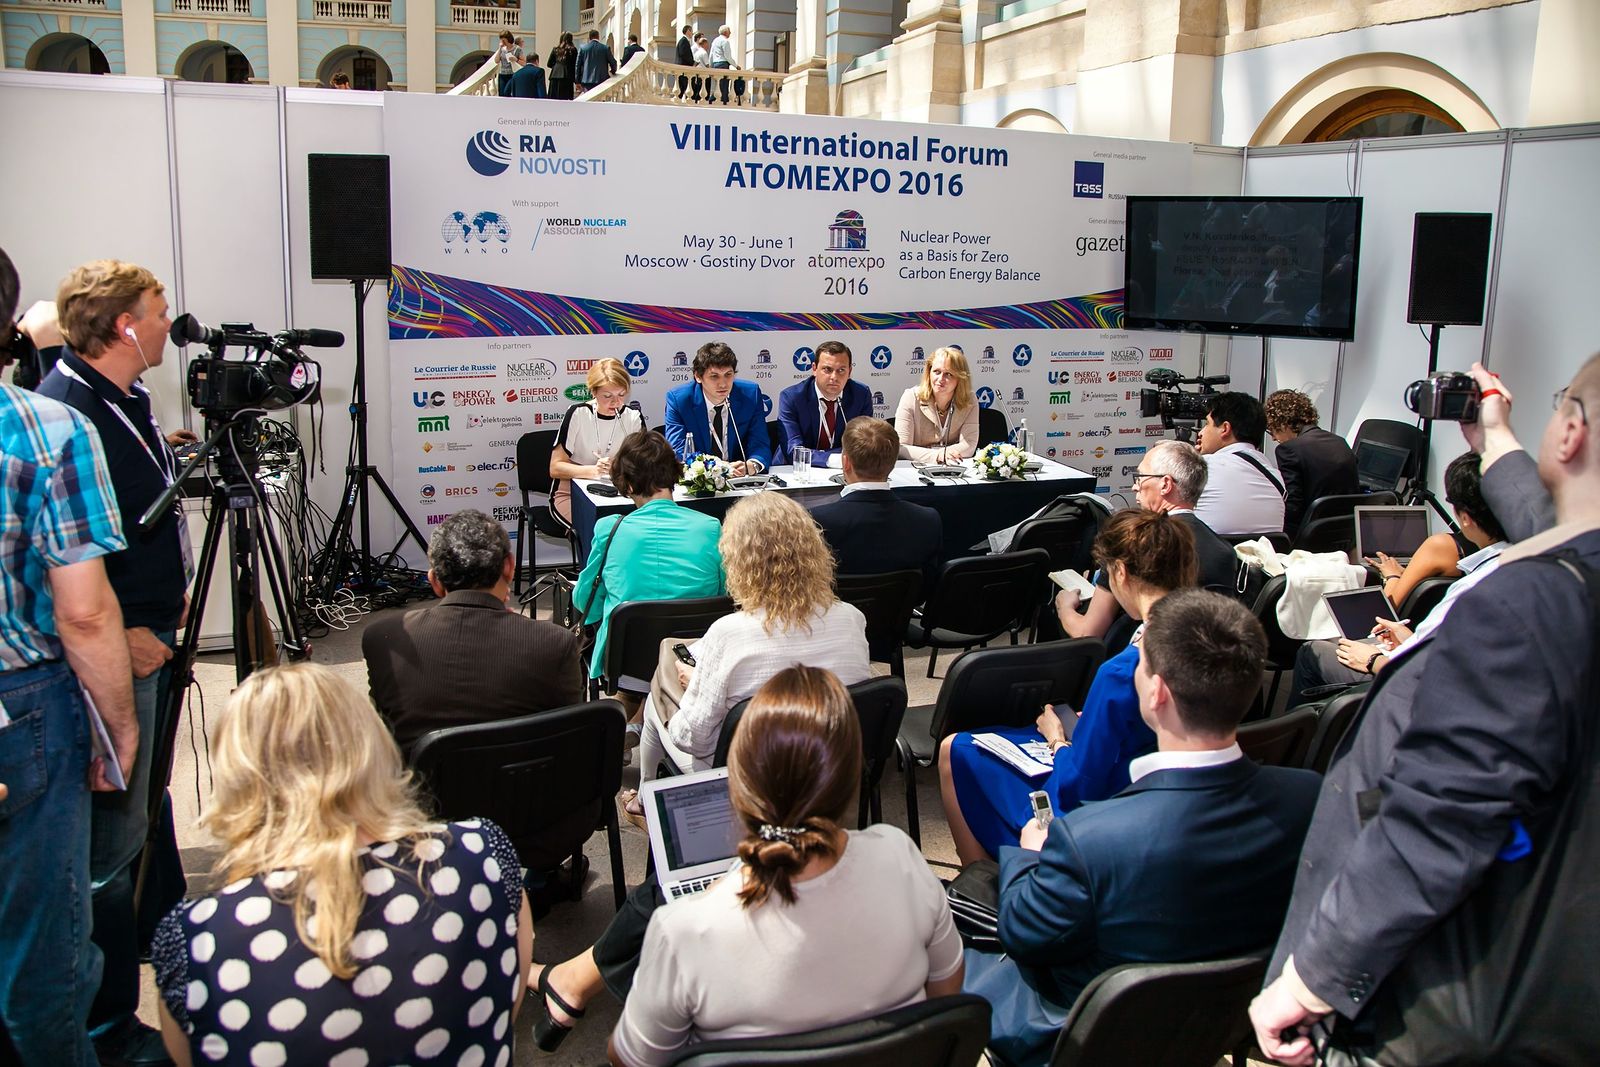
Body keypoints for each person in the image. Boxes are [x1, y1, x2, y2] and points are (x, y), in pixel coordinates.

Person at [1251, 357, 1600, 1066]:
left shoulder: (1523, 604)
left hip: (1431, 1005)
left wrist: (1316, 976)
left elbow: (1441, 819)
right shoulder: (1574, 572)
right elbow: (1555, 528)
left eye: (1563, 400)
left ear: (1572, 432)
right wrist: (1494, 439)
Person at [527, 667, 964, 1059]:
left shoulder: (683, 929)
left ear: (735, 789)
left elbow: (629, 1058)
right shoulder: (902, 858)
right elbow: (945, 1000)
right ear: (854, 777)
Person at [965, 590, 1321, 1066]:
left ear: (1157, 693)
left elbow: (1023, 931)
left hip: (1082, 1030)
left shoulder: (1090, 838)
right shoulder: (1309, 797)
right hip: (1223, 1020)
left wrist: (1030, 855)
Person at [151, 663, 533, 1067]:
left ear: (237, 778)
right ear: (371, 744)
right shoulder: (484, 857)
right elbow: (503, 1007)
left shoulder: (198, 941)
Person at [39, 259, 199, 1065]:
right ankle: (104, 1020)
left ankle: (140, 943)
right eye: (159, 310)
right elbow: (63, 563)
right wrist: (128, 626)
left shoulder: (126, 398)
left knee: (138, 810)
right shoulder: (67, 411)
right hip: (119, 647)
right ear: (125, 325)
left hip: (153, 633)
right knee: (110, 839)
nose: (171, 323)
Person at [0, 246, 139, 1067]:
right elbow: (84, 612)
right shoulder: (47, 426)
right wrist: (117, 727)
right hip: (26, 705)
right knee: (42, 948)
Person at [939, 509, 1198, 863]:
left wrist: (1057, 740)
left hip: (1098, 810)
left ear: (1120, 572)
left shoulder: (1123, 672)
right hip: (1157, 794)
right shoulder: (1202, 637)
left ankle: (989, 882)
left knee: (957, 749)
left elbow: (1077, 786)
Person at [626, 492, 871, 812]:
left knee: (656, 701)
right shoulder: (852, 619)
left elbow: (692, 739)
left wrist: (693, 687)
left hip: (747, 778)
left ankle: (644, 802)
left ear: (738, 560)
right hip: (829, 769)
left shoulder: (729, 633)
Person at [1288, 449, 1508, 704]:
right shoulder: (1521, 567)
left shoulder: (1450, 558)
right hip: (1428, 662)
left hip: (1410, 680)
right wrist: (1410, 639)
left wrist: (1393, 578)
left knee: (1311, 652)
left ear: (1466, 518)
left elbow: (1390, 605)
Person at [362, 509, 581, 755]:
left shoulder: (382, 639)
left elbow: (384, 735)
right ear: (510, 567)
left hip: (419, 781)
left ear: (434, 581)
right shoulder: (554, 643)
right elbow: (573, 742)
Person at [573, 430, 724, 686]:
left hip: (626, 665)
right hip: (693, 660)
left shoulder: (610, 529)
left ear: (629, 485)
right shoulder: (710, 528)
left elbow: (585, 603)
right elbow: (726, 593)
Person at [1056, 439, 1238, 641]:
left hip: (1133, 656)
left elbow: (1087, 632)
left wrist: (1065, 606)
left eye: (1140, 477)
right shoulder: (1226, 552)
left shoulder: (1131, 543)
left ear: (1165, 484)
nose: (1135, 486)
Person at [810, 416, 942, 591]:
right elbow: (928, 586)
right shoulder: (928, 520)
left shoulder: (817, 521)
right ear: (893, 464)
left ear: (846, 462)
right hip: (901, 608)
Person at [549, 357, 645, 524]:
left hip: (620, 493)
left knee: (633, 527)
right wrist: (594, 471)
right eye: (607, 396)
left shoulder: (633, 416)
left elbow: (644, 464)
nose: (616, 402)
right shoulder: (578, 414)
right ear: (593, 392)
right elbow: (555, 468)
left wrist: (620, 465)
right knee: (598, 528)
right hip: (573, 494)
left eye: (622, 395)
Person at [662, 342, 772, 474]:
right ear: (698, 376)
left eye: (728, 374)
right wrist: (718, 469)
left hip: (739, 477)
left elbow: (760, 442)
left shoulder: (750, 395)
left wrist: (752, 465)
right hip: (701, 477)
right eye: (714, 376)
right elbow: (678, 452)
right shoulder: (680, 400)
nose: (723, 384)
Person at [1265, 389, 1358, 538]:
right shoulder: (1341, 442)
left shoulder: (1288, 449)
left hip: (1309, 535)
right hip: (1346, 533)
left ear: (1282, 424)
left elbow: (1293, 506)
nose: (1274, 438)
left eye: (1272, 431)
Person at [1193, 391, 1286, 537]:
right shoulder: (1275, 476)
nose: (1200, 432)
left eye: (1207, 424)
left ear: (1225, 428)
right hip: (1266, 551)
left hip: (1205, 551)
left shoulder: (1203, 467)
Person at [776, 339, 873, 467]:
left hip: (843, 469)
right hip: (796, 470)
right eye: (827, 369)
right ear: (814, 369)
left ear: (849, 372)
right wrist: (832, 459)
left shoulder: (861, 395)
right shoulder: (792, 398)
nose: (834, 377)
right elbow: (794, 451)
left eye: (841, 370)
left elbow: (865, 445)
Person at [895, 346, 980, 464]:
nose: (941, 379)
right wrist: (937, 456)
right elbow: (901, 448)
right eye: (937, 372)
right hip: (917, 468)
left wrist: (945, 455)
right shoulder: (911, 397)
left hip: (953, 467)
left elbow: (969, 445)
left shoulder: (969, 400)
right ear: (929, 373)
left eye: (948, 374)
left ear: (960, 378)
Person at [708, 24, 743, 105]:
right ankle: (721, 101)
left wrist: (710, 66)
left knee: (718, 85)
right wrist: (736, 66)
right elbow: (727, 56)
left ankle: (715, 100)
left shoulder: (715, 41)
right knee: (723, 85)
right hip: (723, 65)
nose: (730, 33)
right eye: (729, 31)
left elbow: (711, 55)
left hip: (715, 65)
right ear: (725, 32)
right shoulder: (725, 41)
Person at [548, 31, 578, 100]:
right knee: (565, 100)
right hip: (567, 77)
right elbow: (574, 65)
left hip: (554, 76)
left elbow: (549, 64)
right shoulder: (572, 50)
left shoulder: (555, 49)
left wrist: (557, 67)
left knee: (553, 100)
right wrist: (576, 80)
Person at [674, 25, 695, 99]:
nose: (692, 33)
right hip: (683, 69)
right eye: (691, 31)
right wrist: (692, 62)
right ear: (688, 31)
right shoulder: (684, 41)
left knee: (682, 89)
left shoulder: (684, 41)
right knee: (683, 88)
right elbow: (683, 54)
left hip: (683, 69)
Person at [493, 30, 517, 96]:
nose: (502, 41)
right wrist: (500, 48)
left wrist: (515, 59)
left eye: (503, 39)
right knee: (501, 94)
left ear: (508, 39)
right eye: (501, 39)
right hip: (502, 74)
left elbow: (523, 62)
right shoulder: (502, 49)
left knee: (507, 92)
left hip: (512, 74)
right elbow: (496, 61)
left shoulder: (517, 49)